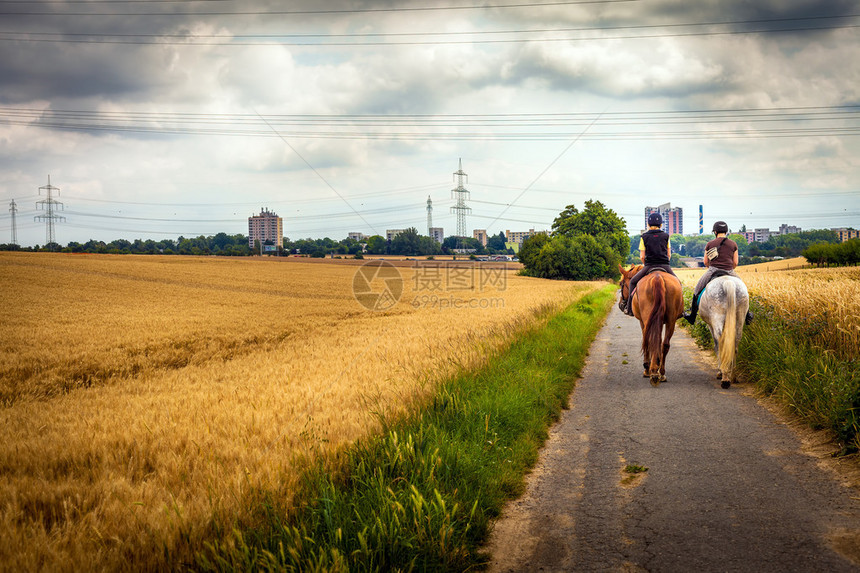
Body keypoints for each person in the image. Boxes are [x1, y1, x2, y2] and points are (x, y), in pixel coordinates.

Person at [683, 221, 752, 325]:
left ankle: (692, 315)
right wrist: (729, 268)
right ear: (726, 231)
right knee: (743, 291)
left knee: (697, 290)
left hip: (713, 271)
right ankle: (747, 315)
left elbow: (706, 262)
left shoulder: (710, 244)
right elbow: (735, 262)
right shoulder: (733, 244)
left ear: (715, 232)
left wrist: (712, 267)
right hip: (729, 271)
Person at [623, 212, 678, 316]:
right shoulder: (666, 236)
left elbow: (642, 257)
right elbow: (669, 254)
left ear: (648, 224)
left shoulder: (643, 237)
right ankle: (681, 310)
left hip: (649, 266)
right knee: (677, 283)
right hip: (665, 265)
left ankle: (629, 309)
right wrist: (664, 262)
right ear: (661, 225)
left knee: (633, 282)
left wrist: (647, 264)